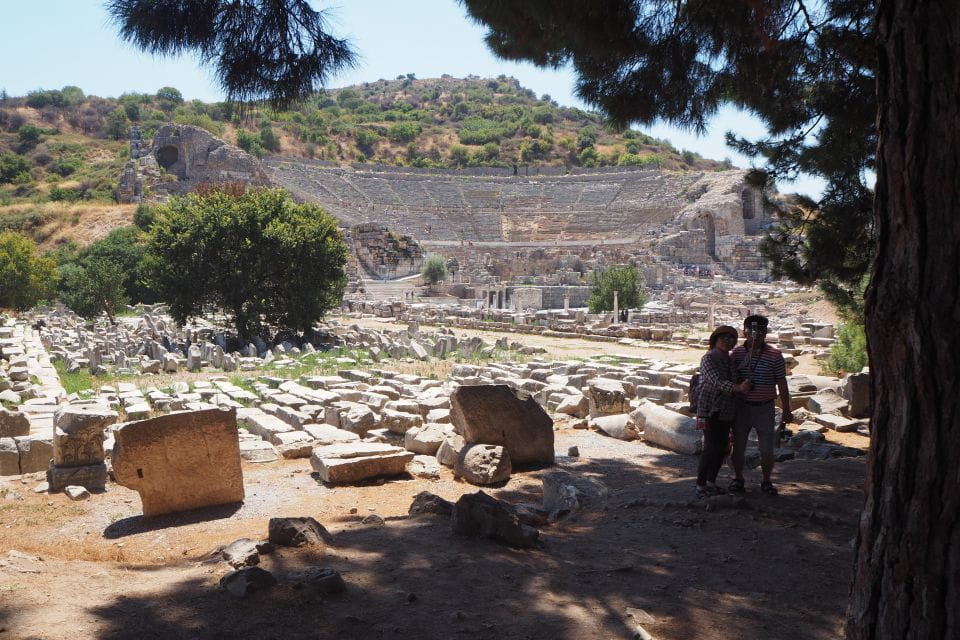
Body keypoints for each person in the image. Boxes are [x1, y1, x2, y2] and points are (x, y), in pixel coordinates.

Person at [729, 315, 793, 495]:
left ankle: (766, 480)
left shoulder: (775, 355)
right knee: (738, 447)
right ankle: (738, 478)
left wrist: (787, 409)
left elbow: (782, 383)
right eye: (751, 331)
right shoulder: (737, 354)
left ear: (765, 333)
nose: (755, 336)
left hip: (764, 408)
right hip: (741, 407)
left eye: (760, 331)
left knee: (766, 448)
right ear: (745, 332)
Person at [695, 326, 752, 498]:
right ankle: (700, 486)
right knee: (711, 448)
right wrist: (738, 388)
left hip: (727, 411)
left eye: (732, 339)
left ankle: (711, 482)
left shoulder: (730, 360)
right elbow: (716, 381)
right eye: (724, 338)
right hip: (709, 410)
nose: (728, 341)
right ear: (715, 340)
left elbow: (737, 378)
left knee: (722, 448)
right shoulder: (708, 358)